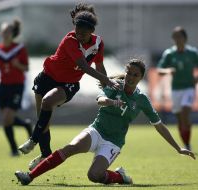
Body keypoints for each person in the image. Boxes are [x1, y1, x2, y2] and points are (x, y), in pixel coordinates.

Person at [14, 58, 195, 186]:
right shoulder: (113, 85)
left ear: (141, 77)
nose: (131, 77)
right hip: (96, 130)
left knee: (94, 176)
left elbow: (159, 126)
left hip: (113, 142)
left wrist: (178, 148)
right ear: (125, 73)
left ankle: (120, 176)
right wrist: (109, 101)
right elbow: (99, 100)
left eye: (135, 75)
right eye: (129, 73)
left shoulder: (142, 100)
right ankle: (29, 177)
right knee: (69, 149)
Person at [18, 3, 119, 169]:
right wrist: (108, 81)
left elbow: (99, 66)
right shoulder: (70, 40)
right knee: (44, 120)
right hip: (46, 78)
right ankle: (45, 154)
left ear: (92, 32)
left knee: (47, 102)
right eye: (77, 31)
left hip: (68, 83)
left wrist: (106, 88)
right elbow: (85, 67)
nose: (79, 35)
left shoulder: (98, 44)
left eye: (84, 33)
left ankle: (33, 140)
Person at [0, 19, 33, 156]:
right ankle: (26, 125)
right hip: (3, 87)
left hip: (17, 86)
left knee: (7, 118)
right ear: (0, 33)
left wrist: (18, 65)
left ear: (13, 33)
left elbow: (26, 68)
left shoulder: (19, 49)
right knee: (6, 118)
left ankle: (14, 149)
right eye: (4, 31)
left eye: (8, 31)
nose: (6, 34)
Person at [157, 26, 198, 150]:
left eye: (179, 36)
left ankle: (187, 144)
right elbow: (159, 69)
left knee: (185, 112)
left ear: (185, 38)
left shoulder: (192, 52)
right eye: (174, 37)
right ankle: (186, 143)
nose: (176, 39)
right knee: (180, 119)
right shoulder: (170, 53)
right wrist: (168, 70)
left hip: (189, 88)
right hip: (175, 89)